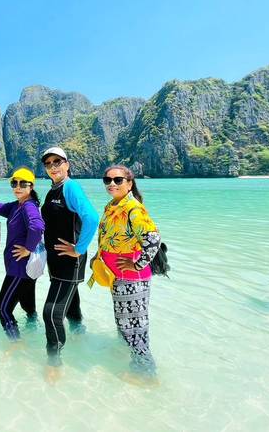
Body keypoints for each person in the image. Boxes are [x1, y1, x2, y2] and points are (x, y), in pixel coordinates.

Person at [91, 164, 161, 377]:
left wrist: (136, 264)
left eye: (118, 180)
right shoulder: (112, 205)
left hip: (132, 278)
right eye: (107, 180)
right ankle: (131, 360)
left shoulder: (133, 208)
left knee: (135, 327)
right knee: (124, 322)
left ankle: (146, 374)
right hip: (117, 277)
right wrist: (98, 255)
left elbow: (153, 239)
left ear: (129, 184)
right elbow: (110, 235)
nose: (111, 183)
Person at [39, 146, 99, 368]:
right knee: (71, 303)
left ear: (67, 165)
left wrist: (79, 249)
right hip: (57, 261)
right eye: (48, 163)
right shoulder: (53, 190)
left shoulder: (70, 187)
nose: (52, 166)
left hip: (69, 261)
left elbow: (92, 218)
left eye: (57, 162)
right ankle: (79, 335)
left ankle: (54, 361)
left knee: (51, 313)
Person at [0, 167, 45, 339]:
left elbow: (37, 226)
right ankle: (34, 332)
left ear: (31, 186)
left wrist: (28, 249)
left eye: (22, 184)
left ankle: (15, 342)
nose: (17, 187)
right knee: (27, 305)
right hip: (25, 268)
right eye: (14, 183)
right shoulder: (18, 205)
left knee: (3, 308)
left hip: (20, 268)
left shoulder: (28, 206)